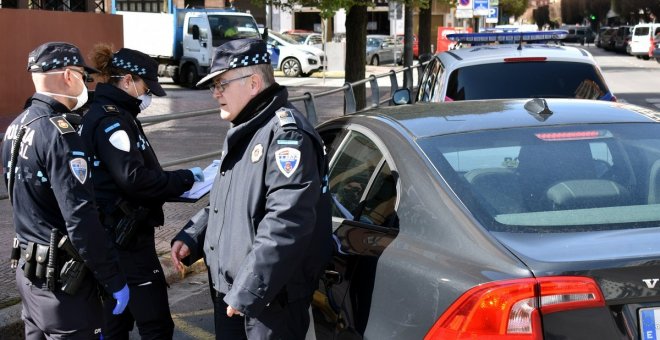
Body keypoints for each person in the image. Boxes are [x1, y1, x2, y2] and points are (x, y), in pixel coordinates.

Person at [170, 38, 332, 339]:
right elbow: (230, 199)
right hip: (235, 295)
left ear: (254, 82)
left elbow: (286, 222)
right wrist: (194, 235)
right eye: (213, 86)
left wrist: (247, 290)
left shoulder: (286, 135)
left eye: (222, 84)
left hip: (267, 303)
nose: (216, 94)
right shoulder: (248, 128)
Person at [1, 41, 129, 339]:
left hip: (29, 273)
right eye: (84, 77)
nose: (85, 85)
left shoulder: (17, 126)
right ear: (70, 75)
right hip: (63, 284)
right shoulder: (62, 135)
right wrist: (113, 278)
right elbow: (81, 219)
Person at [79, 44, 204, 339]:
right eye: (146, 87)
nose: (148, 94)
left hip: (119, 237)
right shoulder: (111, 120)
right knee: (155, 325)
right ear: (127, 81)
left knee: (117, 322)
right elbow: (133, 178)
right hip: (126, 242)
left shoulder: (118, 113)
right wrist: (186, 179)